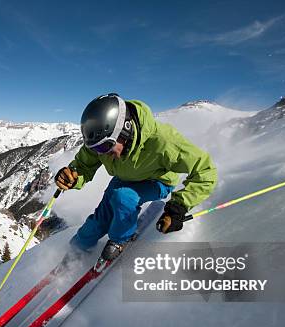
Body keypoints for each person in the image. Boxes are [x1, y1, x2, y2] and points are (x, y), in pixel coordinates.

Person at [54, 93, 217, 261]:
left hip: (157, 181)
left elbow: (205, 170)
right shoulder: (102, 140)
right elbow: (84, 164)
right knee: (100, 218)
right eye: (96, 149)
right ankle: (78, 248)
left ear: (125, 130)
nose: (102, 153)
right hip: (126, 177)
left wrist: (180, 206)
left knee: (122, 198)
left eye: (104, 148)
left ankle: (120, 239)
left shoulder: (164, 142)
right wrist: (73, 174)